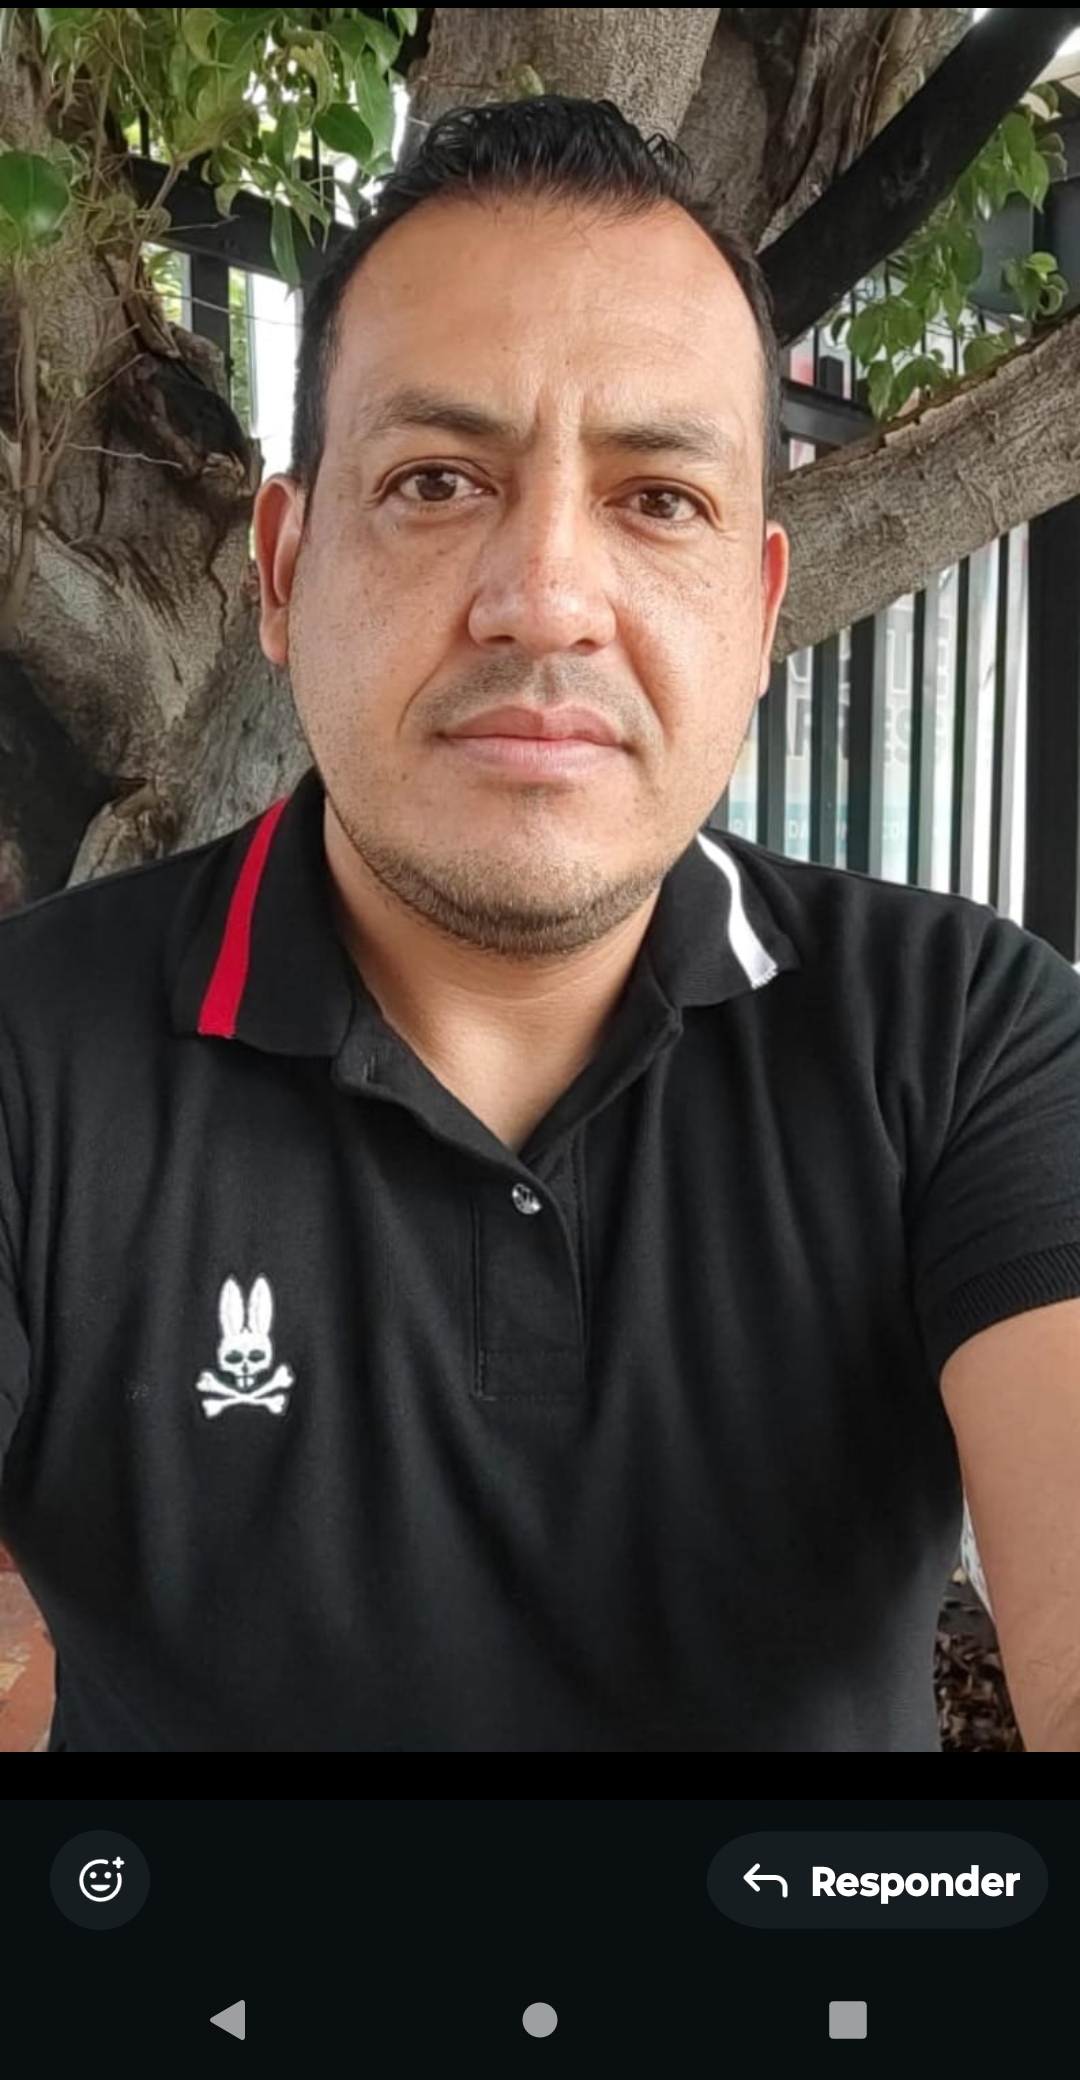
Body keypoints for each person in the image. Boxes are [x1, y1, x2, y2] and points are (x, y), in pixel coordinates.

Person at [2, 94, 1080, 1753]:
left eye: (659, 499)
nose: (547, 601)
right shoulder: (30, 1052)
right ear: (281, 573)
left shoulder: (965, 1040)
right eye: (437, 481)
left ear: (760, 612)